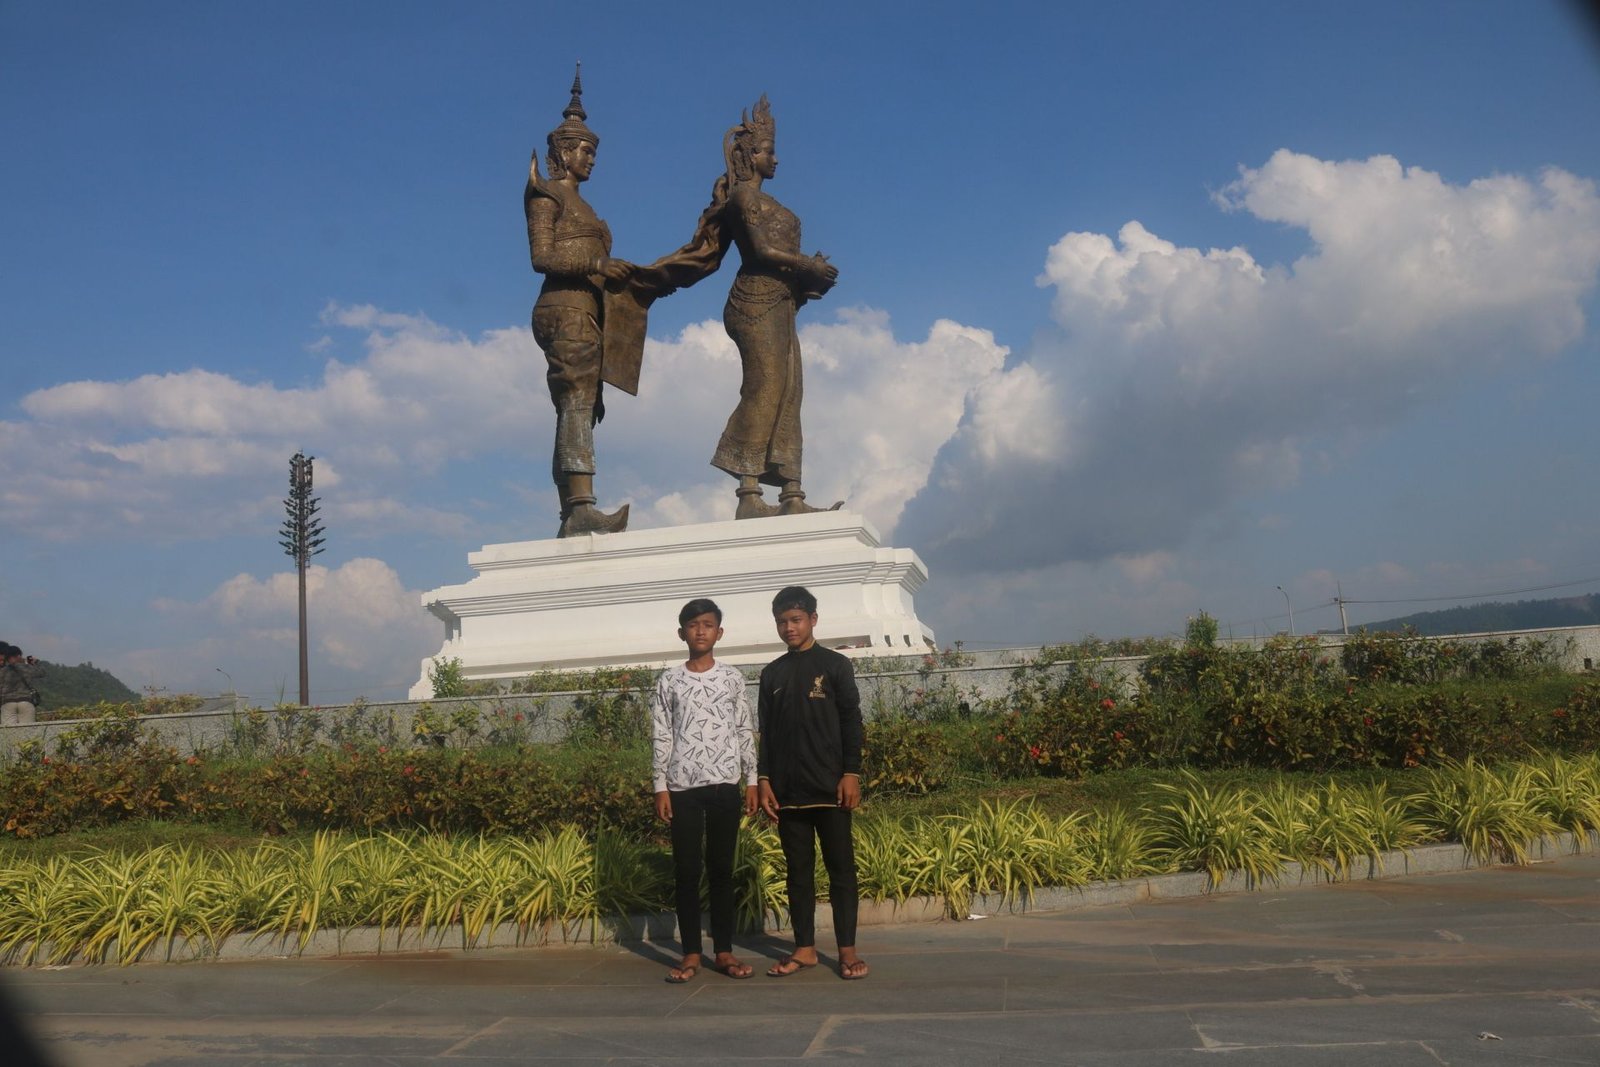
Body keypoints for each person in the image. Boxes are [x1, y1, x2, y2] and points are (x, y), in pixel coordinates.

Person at [525, 66, 638, 537]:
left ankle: (572, 511)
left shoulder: (591, 210)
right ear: (562, 152)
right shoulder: (545, 193)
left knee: (582, 404)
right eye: (584, 151)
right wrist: (595, 266)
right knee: (575, 400)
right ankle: (581, 504)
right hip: (562, 307)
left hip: (589, 313)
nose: (590, 160)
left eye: (594, 152)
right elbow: (542, 256)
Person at [756, 585, 869, 979]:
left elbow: (852, 721)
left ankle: (847, 952)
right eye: (782, 621)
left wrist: (850, 773)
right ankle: (804, 948)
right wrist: (765, 780)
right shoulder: (772, 673)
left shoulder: (836, 666)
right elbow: (766, 733)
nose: (789, 628)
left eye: (796, 620)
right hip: (788, 794)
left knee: (842, 871)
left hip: (831, 789)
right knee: (797, 873)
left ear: (813, 620)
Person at [650, 598, 758, 982]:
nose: (700, 630)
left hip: (725, 784)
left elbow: (744, 728)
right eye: (693, 625)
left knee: (721, 870)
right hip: (682, 786)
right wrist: (660, 785)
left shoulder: (731, 678)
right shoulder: (669, 680)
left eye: (708, 624)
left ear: (719, 632)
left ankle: (724, 951)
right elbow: (662, 733)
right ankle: (691, 953)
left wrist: (750, 780)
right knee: (686, 870)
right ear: (682, 633)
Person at [0, 644, 43, 727]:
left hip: (7, 703)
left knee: (9, 732)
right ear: (19, 655)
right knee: (27, 731)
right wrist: (36, 662)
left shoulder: (2, 671)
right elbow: (42, 672)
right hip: (25, 701)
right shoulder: (27, 668)